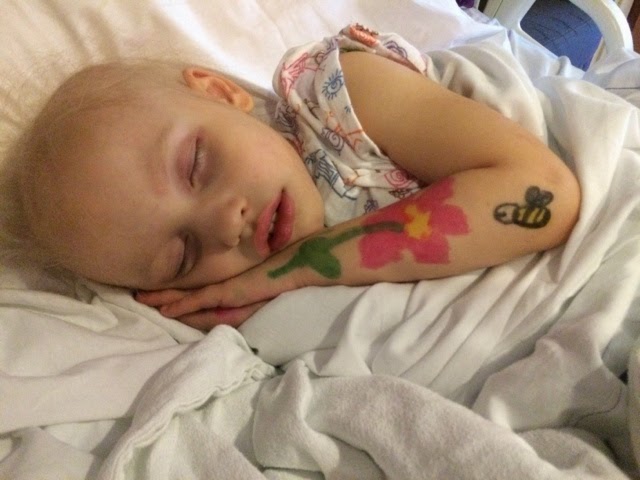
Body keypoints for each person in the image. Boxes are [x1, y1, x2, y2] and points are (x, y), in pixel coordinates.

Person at [0, 25, 580, 330]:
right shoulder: (249, 305)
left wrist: (300, 267)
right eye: (182, 255)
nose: (223, 225)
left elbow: (543, 195)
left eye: (196, 166)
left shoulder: (340, 97)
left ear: (221, 93)